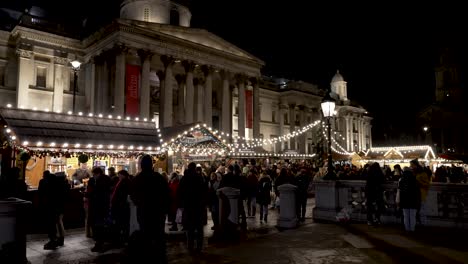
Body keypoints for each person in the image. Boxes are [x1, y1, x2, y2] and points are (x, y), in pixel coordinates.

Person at [131, 155, 170, 263]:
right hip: (158, 212)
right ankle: (160, 257)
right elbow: (167, 194)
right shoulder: (159, 178)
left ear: (141, 165)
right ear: (152, 165)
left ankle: (147, 256)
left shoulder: (138, 178)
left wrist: (141, 203)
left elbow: (134, 196)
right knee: (159, 235)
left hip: (144, 212)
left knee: (145, 235)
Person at [178, 162, 208, 253]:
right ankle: (199, 246)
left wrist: (182, 204)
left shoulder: (184, 178)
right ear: (195, 168)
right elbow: (204, 191)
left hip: (188, 206)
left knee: (189, 228)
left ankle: (190, 246)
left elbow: (180, 192)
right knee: (199, 228)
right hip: (198, 206)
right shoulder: (199, 178)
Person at [85, 167, 112, 252]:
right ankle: (99, 243)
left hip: (99, 206)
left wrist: (89, 194)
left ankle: (99, 243)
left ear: (98, 173)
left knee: (98, 225)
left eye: (94, 174)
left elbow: (102, 192)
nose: (94, 176)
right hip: (98, 206)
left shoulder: (103, 180)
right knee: (98, 225)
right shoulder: (95, 180)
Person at [110, 170, 131, 246]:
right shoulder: (123, 181)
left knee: (122, 222)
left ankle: (122, 239)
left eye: (119, 175)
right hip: (121, 205)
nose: (118, 176)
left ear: (123, 175)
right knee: (122, 222)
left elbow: (121, 194)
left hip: (121, 205)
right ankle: (122, 238)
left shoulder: (124, 182)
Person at [397, 167, 421, 232]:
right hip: (413, 200)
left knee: (406, 215)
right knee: (413, 216)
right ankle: (412, 229)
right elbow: (418, 192)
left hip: (404, 200)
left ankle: (407, 229)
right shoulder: (415, 180)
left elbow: (399, 191)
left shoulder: (401, 180)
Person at [410, 159, 430, 226]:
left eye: (412, 165)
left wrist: (418, 183)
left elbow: (427, 184)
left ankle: (423, 223)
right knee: (416, 210)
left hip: (421, 194)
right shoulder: (413, 173)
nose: (411, 166)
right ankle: (418, 223)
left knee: (422, 210)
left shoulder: (422, 173)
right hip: (414, 194)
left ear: (416, 165)